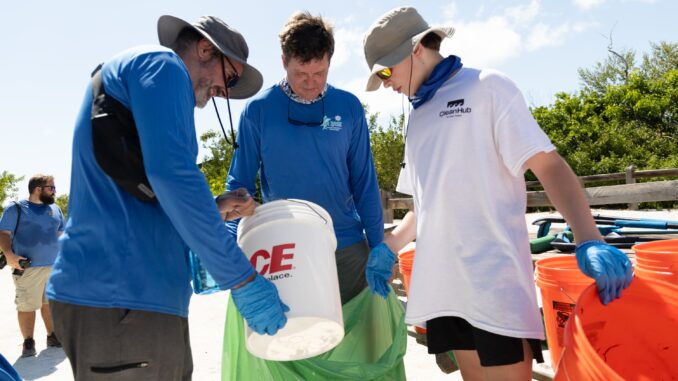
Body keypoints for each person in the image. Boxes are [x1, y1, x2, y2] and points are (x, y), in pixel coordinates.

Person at [362, 7, 633, 381]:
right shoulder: (417, 115)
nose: (386, 83)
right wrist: (388, 247)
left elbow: (549, 166)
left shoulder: (488, 87)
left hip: (492, 286)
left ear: (418, 48)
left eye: (387, 71)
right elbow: (425, 206)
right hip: (443, 287)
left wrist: (588, 237)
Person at [45, 15, 288, 380]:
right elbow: (172, 175)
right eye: (231, 78)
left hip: (126, 299)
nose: (225, 91)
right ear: (205, 49)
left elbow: (143, 185)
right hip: (123, 297)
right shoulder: (163, 64)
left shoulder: (134, 75)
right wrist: (242, 279)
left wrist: (212, 207)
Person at [222, 11, 406, 380]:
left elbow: (365, 184)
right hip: (288, 250)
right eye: (300, 74)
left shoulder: (349, 108)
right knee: (293, 347)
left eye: (320, 74)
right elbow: (238, 188)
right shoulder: (258, 111)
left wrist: (379, 245)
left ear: (330, 63)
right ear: (284, 62)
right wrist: (232, 260)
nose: (311, 83)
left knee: (363, 351)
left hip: (349, 248)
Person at [0, 174, 65, 358]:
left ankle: (52, 336)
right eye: (51, 188)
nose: (54, 191)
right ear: (38, 189)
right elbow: (4, 233)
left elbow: (61, 234)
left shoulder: (55, 208)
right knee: (27, 305)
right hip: (28, 268)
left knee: (49, 303)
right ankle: (28, 342)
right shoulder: (16, 209)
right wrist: (9, 255)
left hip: (53, 266)